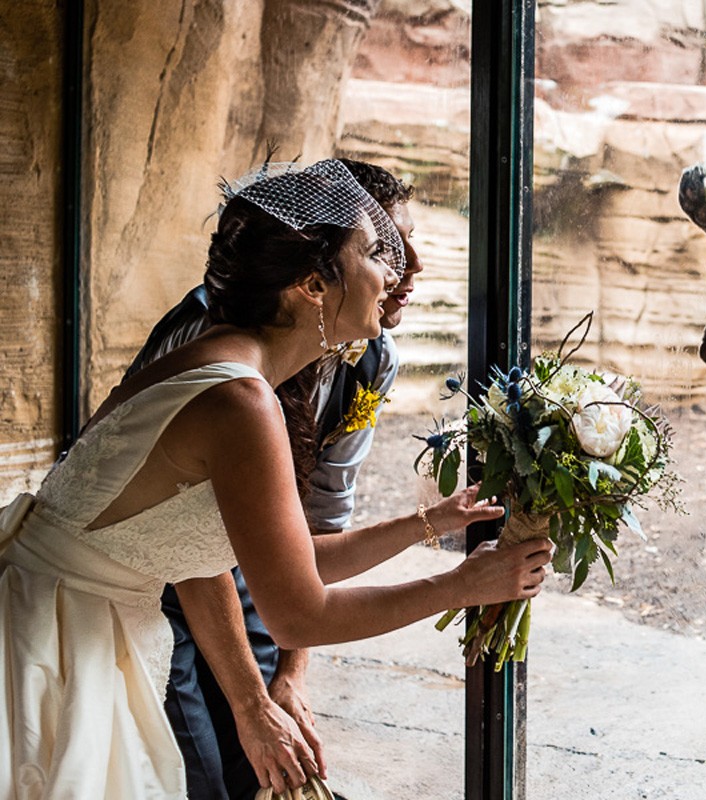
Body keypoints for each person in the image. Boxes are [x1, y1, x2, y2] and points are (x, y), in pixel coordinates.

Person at [0, 158, 552, 799]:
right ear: (312, 286)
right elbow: (299, 614)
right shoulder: (241, 401)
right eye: (375, 253)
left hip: (83, 614)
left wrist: (428, 523)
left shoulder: (238, 368)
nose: (393, 272)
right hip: (58, 640)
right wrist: (461, 585)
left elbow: (261, 558)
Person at [124, 160, 421, 798]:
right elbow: (180, 540)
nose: (408, 268)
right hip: (151, 581)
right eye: (384, 249)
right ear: (314, 277)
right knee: (196, 771)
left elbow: (319, 520)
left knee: (265, 771)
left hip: (244, 565)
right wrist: (251, 702)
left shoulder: (370, 359)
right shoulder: (221, 359)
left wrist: (291, 675)